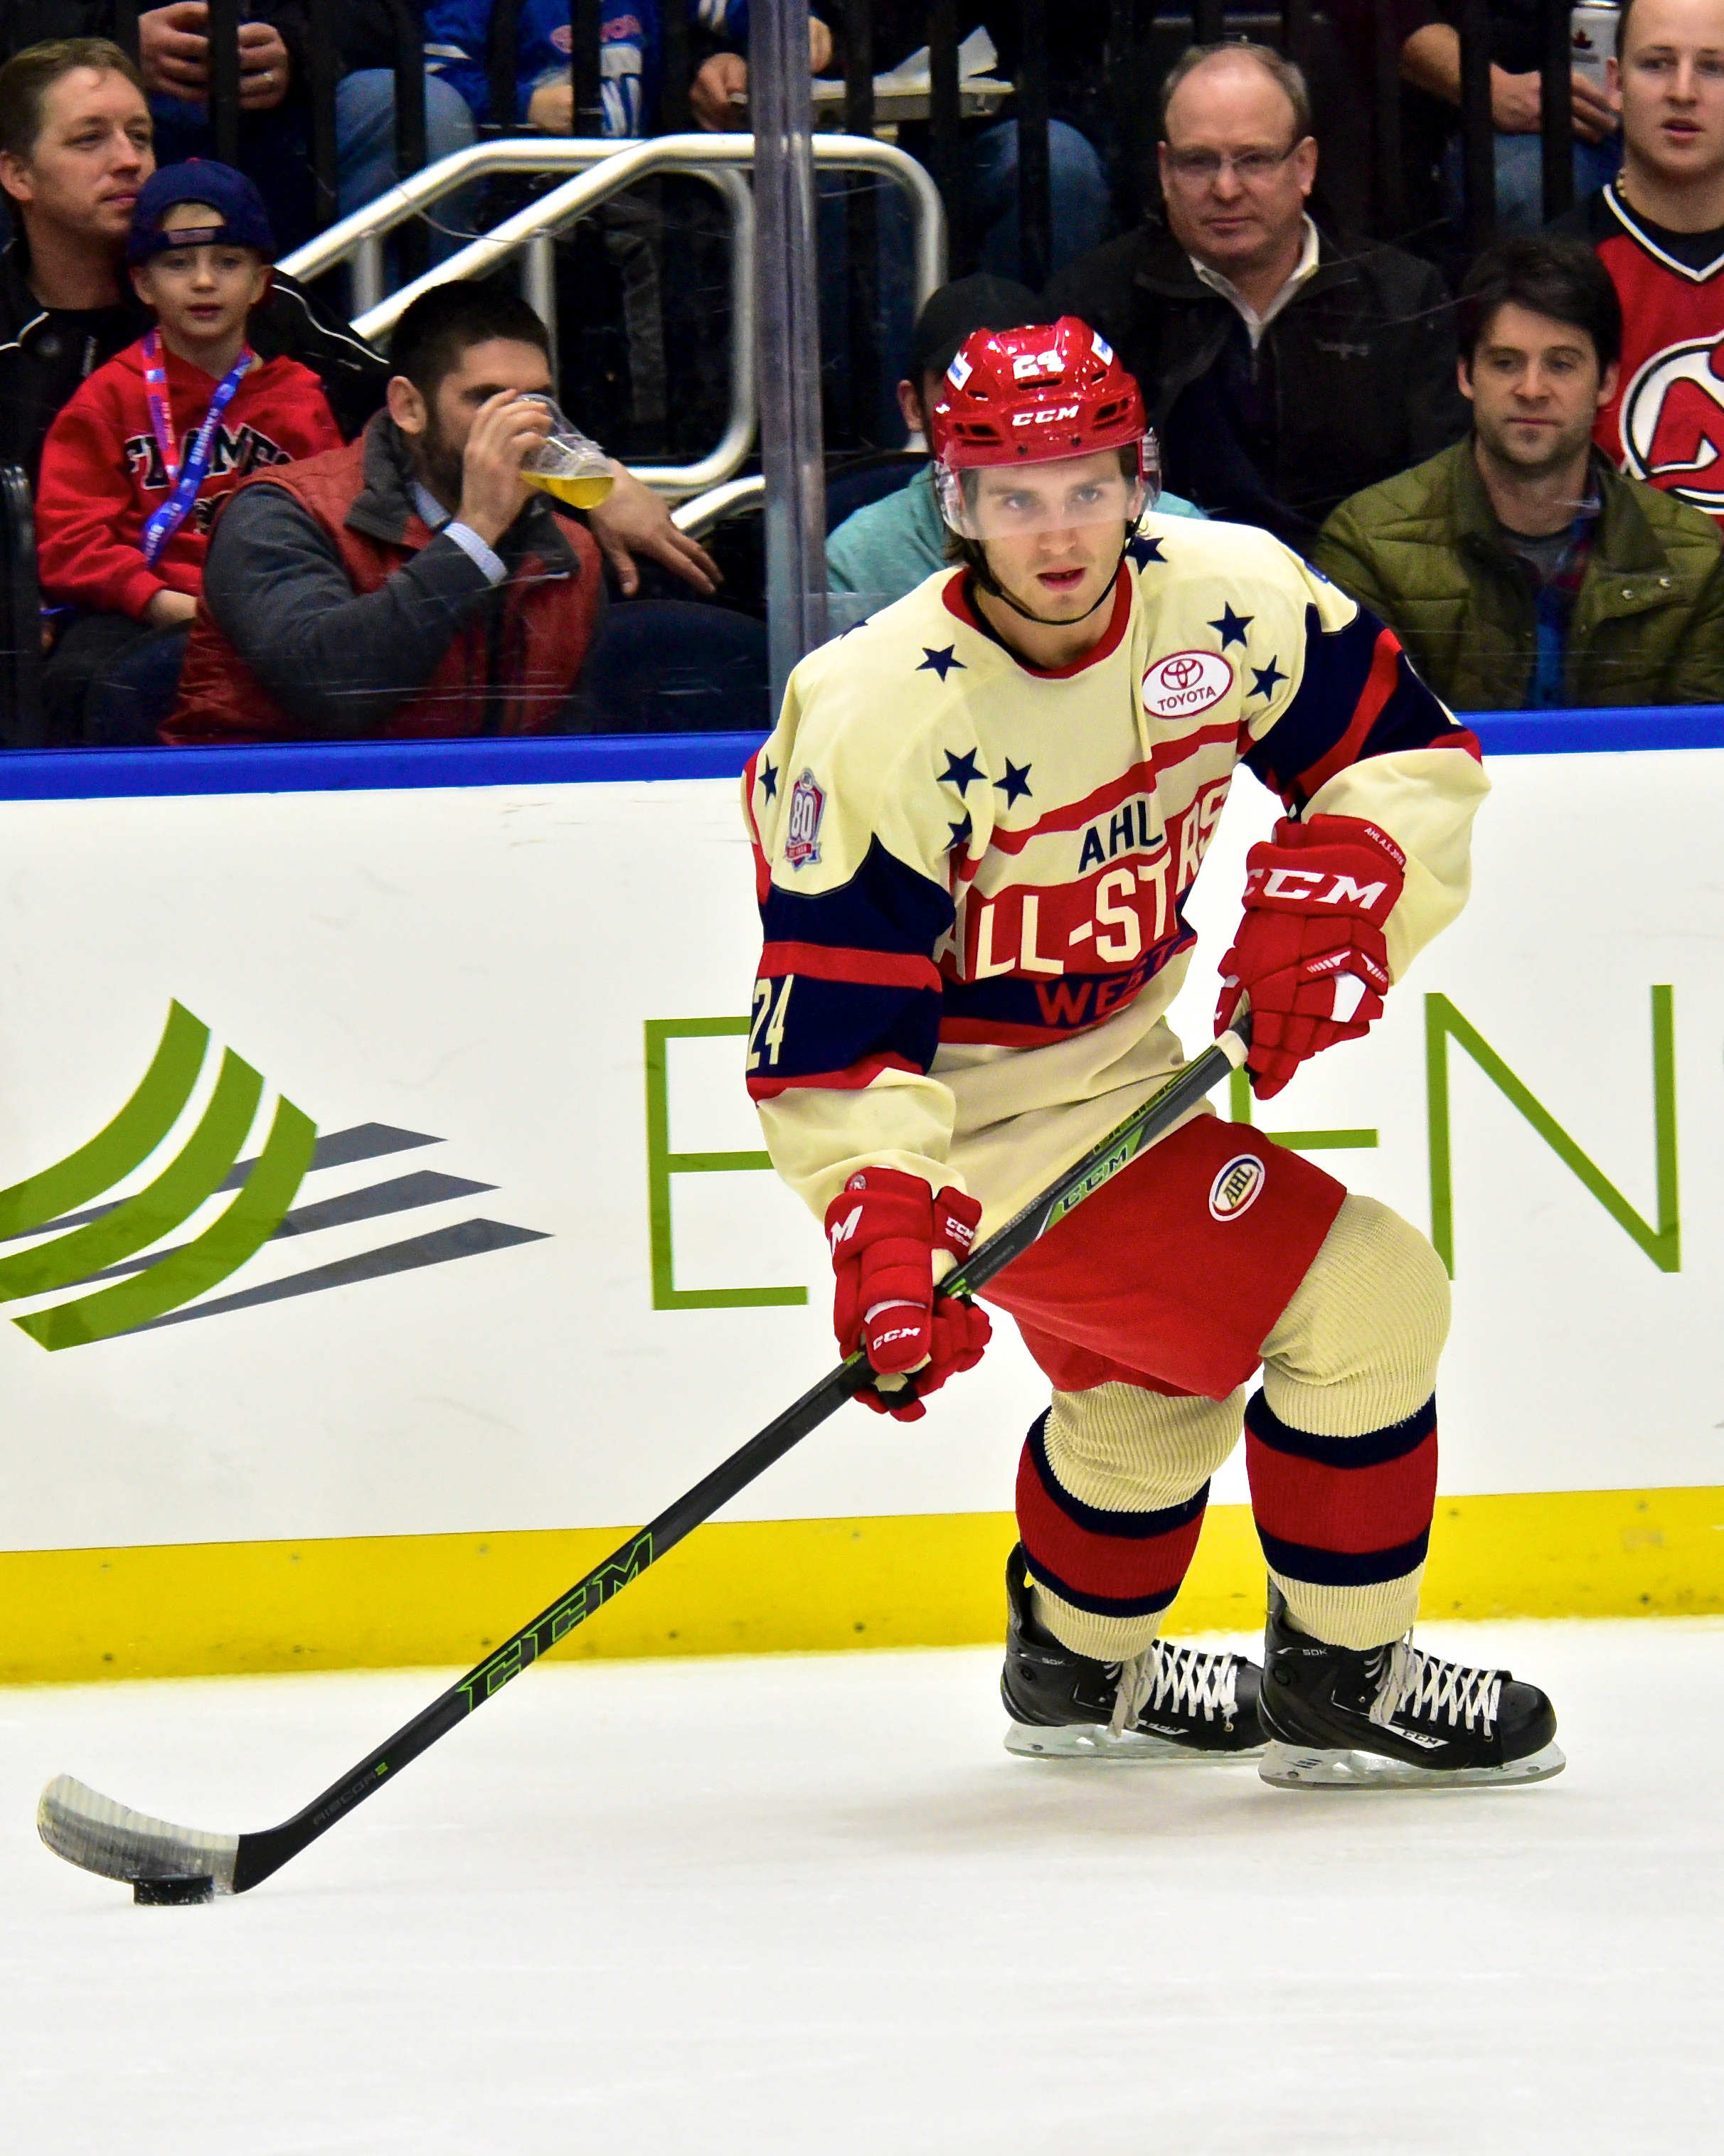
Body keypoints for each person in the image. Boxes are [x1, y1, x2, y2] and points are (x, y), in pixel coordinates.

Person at [741, 314, 1562, 1786]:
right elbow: (837, 1021)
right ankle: (1347, 1673)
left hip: (1128, 1070)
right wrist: (878, 1219)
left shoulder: (1231, 596)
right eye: (1013, 494)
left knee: (1149, 1396)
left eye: (1085, 485)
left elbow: (1408, 753)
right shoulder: (874, 708)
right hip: (976, 1127)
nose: (1055, 532)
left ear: (1142, 477)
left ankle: (1077, 1668)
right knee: (1369, 1297)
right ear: (955, 501)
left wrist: (1352, 881)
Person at [1043, 40, 1469, 547]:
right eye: (1199, 162)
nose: (1226, 189)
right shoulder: (1094, 303)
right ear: (1164, 170)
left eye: (1254, 160)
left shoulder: (1404, 296)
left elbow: (1435, 502)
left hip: (1358, 596)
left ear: (1305, 166)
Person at [163, 279, 605, 742]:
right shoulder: (277, 513)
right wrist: (476, 533)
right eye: (485, 399)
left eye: (537, 401)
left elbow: (577, 749)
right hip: (260, 802)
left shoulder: (570, 552)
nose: (521, 426)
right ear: (409, 407)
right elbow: (332, 690)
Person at [1314, 238, 1724, 710]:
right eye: (1506, 363)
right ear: (1466, 375)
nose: (1532, 390)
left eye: (1561, 364)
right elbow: (1365, 753)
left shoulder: (1694, 560)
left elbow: (1699, 759)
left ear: (1608, 381)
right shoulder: (1368, 547)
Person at [34, 161, 341, 742]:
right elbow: (68, 539)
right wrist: (154, 600)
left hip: (268, 617)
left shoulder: (301, 399)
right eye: (178, 264)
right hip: (135, 617)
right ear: (144, 284)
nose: (204, 282)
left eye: (227, 263)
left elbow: (330, 530)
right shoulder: (106, 398)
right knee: (79, 681)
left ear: (260, 283)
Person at [0, 38, 385, 481]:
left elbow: (402, 415)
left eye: (141, 137)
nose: (130, 160)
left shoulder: (245, 295)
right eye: (90, 139)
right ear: (19, 175)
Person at [827, 274, 1207, 628]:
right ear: (912, 407)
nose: (1010, 408)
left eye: (1088, 495)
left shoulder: (1186, 536)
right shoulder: (861, 559)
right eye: (966, 385)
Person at [1550, 0, 1724, 523]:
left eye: (1714, 67)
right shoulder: (1555, 274)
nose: (1683, 92)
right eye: (1657, 64)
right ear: (1615, 83)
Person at [1399, 0, 1622, 235]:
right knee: (1526, 189)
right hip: (1507, 119)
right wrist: (1493, 88)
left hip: (1640, 97)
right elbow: (1391, 14)